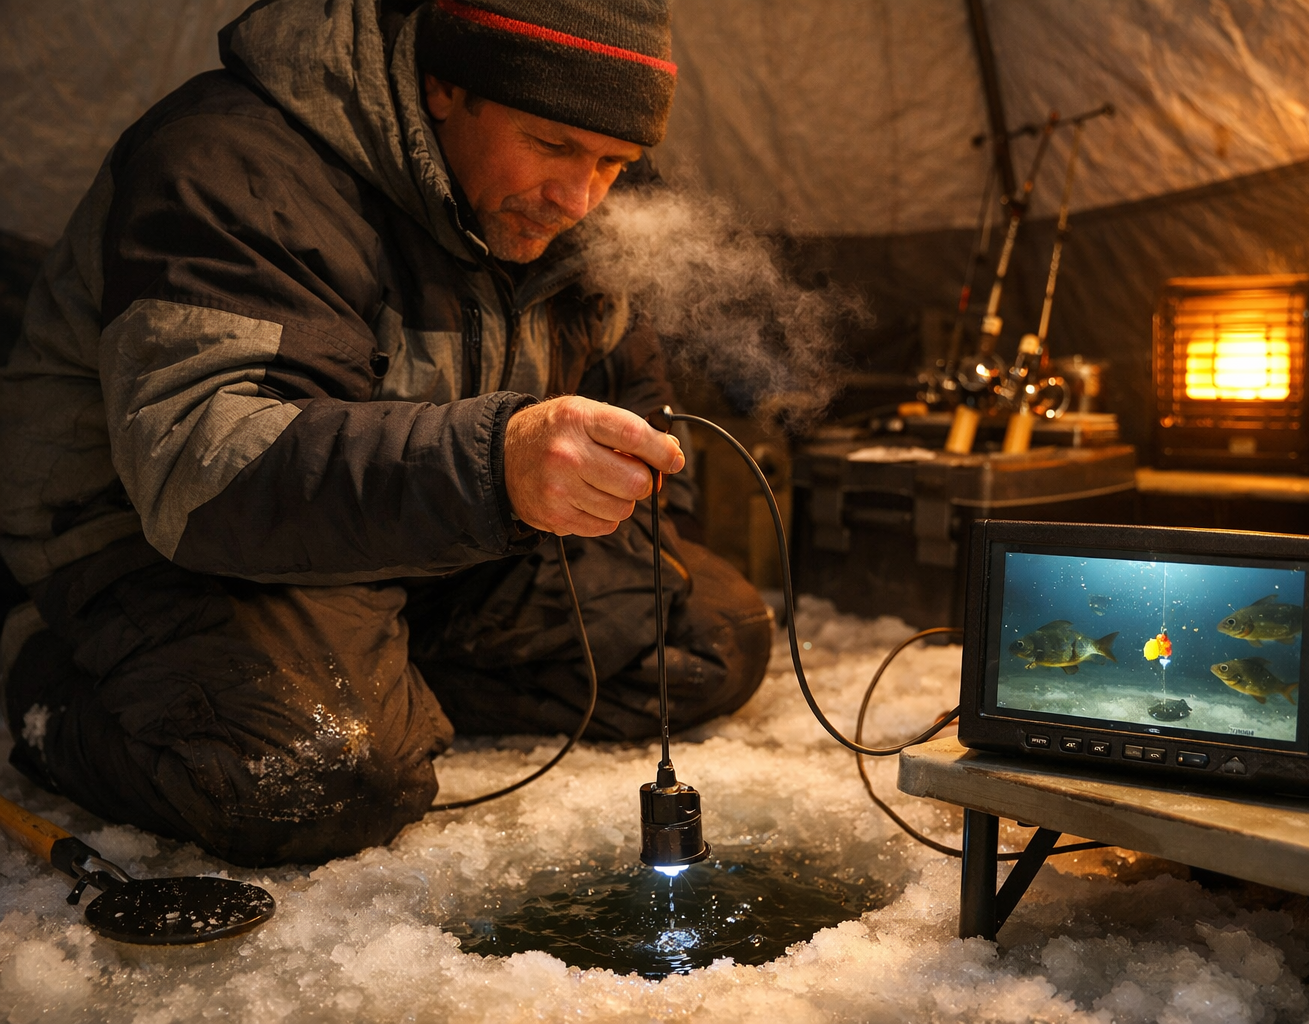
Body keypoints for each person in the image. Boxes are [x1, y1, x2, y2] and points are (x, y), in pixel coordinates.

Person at [0, 0, 773, 867]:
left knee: (708, 639)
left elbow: (633, 387)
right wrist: (495, 468)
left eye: (615, 164)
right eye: (552, 146)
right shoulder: (237, 164)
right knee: (323, 778)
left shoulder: (567, 202)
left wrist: (629, 512)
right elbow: (204, 473)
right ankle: (49, 682)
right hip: (168, 545)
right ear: (445, 87)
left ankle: (375, 678)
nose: (580, 196)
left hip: (421, 537)